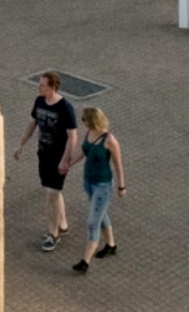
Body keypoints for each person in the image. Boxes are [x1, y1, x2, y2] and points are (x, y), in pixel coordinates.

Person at [12, 70, 80, 252]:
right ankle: (63, 224)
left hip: (58, 157)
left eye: (42, 85)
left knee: (52, 193)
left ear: (52, 87)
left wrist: (65, 160)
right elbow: (32, 123)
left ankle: (53, 233)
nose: (38, 87)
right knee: (53, 191)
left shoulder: (65, 108)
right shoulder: (39, 101)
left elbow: (73, 136)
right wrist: (21, 144)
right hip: (43, 154)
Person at [71, 106, 125, 274]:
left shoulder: (109, 140)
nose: (83, 123)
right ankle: (111, 245)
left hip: (102, 186)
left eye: (84, 120)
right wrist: (69, 163)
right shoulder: (90, 133)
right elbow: (83, 151)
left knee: (93, 222)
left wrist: (121, 186)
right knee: (101, 214)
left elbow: (118, 165)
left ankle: (85, 262)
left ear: (93, 121)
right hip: (89, 182)